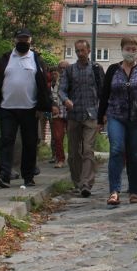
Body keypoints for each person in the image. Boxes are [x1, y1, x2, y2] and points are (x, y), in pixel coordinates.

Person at [0, 29, 53, 189]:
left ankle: (28, 176)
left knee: (29, 143)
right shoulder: (6, 59)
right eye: (20, 39)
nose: (23, 42)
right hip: (7, 107)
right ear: (15, 40)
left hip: (30, 108)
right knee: (6, 141)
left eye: (26, 39)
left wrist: (43, 107)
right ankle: (4, 174)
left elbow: (45, 85)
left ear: (31, 41)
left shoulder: (37, 60)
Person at [98, 36, 137, 205]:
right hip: (115, 115)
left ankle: (134, 191)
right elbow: (104, 95)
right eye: (128, 48)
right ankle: (114, 191)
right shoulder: (112, 70)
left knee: (136, 153)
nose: (131, 52)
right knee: (117, 149)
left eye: (134, 49)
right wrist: (99, 118)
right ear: (122, 49)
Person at [58, 40, 105, 197]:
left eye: (82, 50)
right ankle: (77, 181)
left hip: (91, 115)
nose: (80, 53)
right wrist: (65, 100)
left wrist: (103, 114)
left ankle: (86, 183)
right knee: (73, 153)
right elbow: (62, 89)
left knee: (88, 149)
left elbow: (103, 93)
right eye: (77, 51)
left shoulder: (96, 69)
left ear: (89, 50)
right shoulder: (69, 70)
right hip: (74, 115)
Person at [49, 61, 69, 168]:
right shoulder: (55, 82)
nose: (62, 70)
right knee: (57, 137)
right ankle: (60, 159)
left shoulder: (73, 81)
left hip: (71, 113)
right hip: (58, 112)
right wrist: (52, 105)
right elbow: (51, 95)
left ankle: (74, 158)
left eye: (65, 68)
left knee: (74, 138)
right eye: (60, 68)